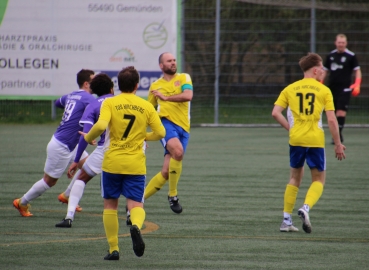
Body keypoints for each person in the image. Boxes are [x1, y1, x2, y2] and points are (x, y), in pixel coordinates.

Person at [79, 66, 165, 260]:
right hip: (135, 164)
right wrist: (144, 136)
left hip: (112, 162)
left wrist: (87, 138)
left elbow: (101, 125)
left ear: (118, 84)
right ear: (136, 85)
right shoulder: (146, 106)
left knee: (110, 206)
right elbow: (161, 133)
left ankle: (114, 249)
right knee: (136, 205)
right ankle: (135, 225)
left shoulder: (110, 103)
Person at [271, 53, 346, 234]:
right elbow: (332, 120)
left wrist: (291, 129)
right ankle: (305, 208)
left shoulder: (290, 88)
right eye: (321, 68)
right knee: (319, 180)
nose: (323, 71)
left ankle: (286, 220)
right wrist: (337, 143)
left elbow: (275, 113)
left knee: (295, 178)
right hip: (315, 140)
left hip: (296, 139)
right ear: (315, 70)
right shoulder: (323, 90)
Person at [13, 69, 96, 217]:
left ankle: (67, 195)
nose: (95, 83)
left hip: (72, 143)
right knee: (49, 182)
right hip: (62, 145)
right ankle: (22, 202)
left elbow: (58, 102)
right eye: (93, 80)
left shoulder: (72, 95)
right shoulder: (88, 98)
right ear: (86, 83)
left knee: (89, 167)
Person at [55, 73, 114, 228]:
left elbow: (85, 136)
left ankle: (69, 217)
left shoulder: (93, 105)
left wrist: (76, 161)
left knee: (81, 178)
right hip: (130, 151)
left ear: (94, 91)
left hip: (105, 149)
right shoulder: (122, 102)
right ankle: (132, 216)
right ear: (111, 88)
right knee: (130, 180)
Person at [142, 52, 193, 214]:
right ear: (161, 66)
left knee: (165, 172)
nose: (172, 63)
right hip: (165, 123)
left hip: (183, 127)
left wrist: (166, 98)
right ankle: (173, 195)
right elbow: (147, 110)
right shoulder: (155, 85)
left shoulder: (184, 78)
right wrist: (140, 132)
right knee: (178, 152)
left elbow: (188, 95)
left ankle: (137, 200)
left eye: (174, 60)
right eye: (168, 61)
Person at [321, 33, 362, 144]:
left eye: (343, 43)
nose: (341, 44)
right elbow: (325, 71)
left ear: (346, 43)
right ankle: (336, 135)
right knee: (332, 113)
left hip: (345, 88)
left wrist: (357, 84)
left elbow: (357, 70)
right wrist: (320, 83)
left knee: (341, 112)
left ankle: (337, 136)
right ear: (335, 43)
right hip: (332, 88)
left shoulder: (351, 56)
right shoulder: (330, 56)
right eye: (339, 42)